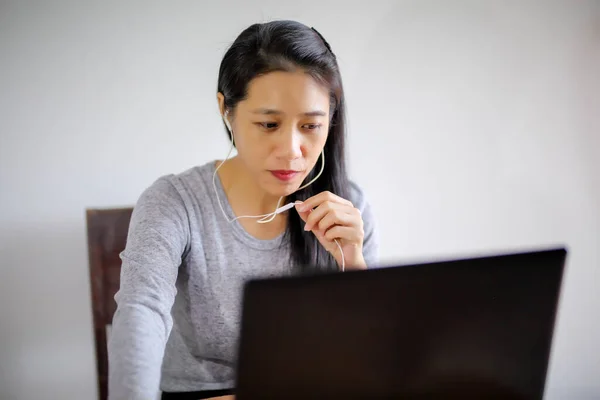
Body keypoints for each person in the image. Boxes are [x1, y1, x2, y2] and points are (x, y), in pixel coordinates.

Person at [107, 20, 379, 400]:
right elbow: (141, 313)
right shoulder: (176, 202)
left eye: (311, 125)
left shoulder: (349, 206)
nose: (291, 150)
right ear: (226, 110)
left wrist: (353, 264)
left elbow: (370, 359)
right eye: (268, 124)